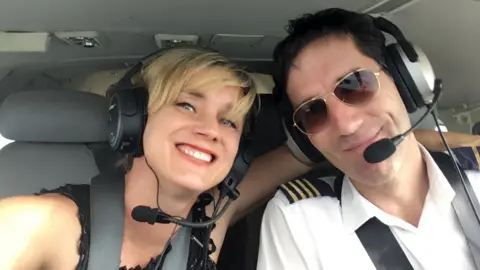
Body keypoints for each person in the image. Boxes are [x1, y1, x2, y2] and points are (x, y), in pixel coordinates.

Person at [0, 47, 312, 270]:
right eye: (187, 106)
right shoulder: (40, 223)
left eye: (228, 121)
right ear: (135, 119)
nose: (210, 130)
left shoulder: (208, 222)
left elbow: (300, 156)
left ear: (239, 154)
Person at [257, 8, 480, 270]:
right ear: (304, 140)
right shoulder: (299, 219)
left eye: (355, 84)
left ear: (402, 81)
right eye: (313, 112)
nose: (346, 125)